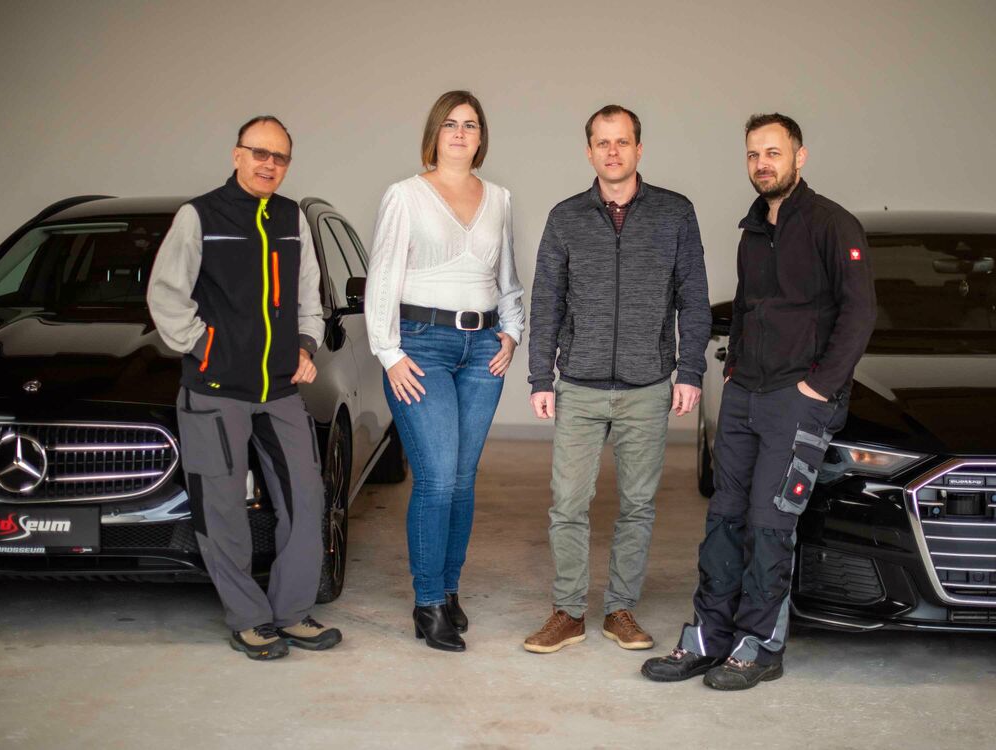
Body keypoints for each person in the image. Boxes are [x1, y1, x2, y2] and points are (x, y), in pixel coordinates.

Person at [642, 113, 876, 690]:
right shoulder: (752, 230)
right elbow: (748, 308)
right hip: (746, 393)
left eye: (774, 152)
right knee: (724, 517)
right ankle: (708, 635)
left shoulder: (832, 224)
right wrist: (734, 372)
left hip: (798, 399)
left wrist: (818, 387)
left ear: (800, 156)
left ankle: (760, 646)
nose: (762, 163)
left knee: (770, 523)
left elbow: (859, 313)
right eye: (753, 154)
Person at [147, 115, 341, 660]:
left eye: (280, 157)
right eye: (260, 153)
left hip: (278, 390)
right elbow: (166, 294)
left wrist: (306, 346)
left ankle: (292, 611)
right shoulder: (200, 216)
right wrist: (207, 346)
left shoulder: (291, 218)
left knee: (306, 497)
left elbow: (308, 294)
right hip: (215, 391)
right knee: (223, 510)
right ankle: (250, 620)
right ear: (237, 155)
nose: (269, 164)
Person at [524, 105, 711, 654]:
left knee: (638, 506)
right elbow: (546, 301)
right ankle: (568, 612)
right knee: (567, 504)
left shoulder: (675, 213)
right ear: (589, 152)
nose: (612, 151)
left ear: (639, 148)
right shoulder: (565, 217)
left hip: (647, 385)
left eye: (622, 141)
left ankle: (620, 610)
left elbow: (694, 299)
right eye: (602, 143)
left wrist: (690, 370)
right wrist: (540, 377)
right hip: (579, 386)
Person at [365, 90, 525, 652]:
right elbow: (383, 276)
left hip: (482, 349)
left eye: (471, 125)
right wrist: (388, 352)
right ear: (434, 133)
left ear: (482, 137)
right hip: (420, 347)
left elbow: (507, 277)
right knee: (435, 478)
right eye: (451, 123)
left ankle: (449, 590)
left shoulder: (499, 198)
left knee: (461, 478)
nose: (460, 133)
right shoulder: (405, 195)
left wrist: (512, 330)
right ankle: (428, 602)